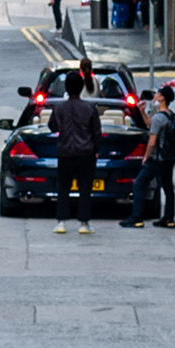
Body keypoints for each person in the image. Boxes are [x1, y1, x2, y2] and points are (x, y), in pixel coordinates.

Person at [44, 63, 108, 232]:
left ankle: (61, 222)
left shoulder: (59, 108)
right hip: (86, 153)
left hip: (65, 152)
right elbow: (96, 132)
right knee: (85, 188)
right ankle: (84, 223)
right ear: (80, 88)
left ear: (66, 87)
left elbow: (52, 127)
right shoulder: (89, 108)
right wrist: (96, 150)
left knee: (63, 187)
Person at [129, 82, 175, 229]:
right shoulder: (170, 116)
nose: (155, 95)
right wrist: (143, 112)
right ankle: (169, 219)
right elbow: (150, 124)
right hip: (169, 158)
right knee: (168, 187)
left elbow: (152, 141)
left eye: (158, 93)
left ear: (162, 98)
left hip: (156, 159)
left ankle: (137, 218)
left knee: (139, 184)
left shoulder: (159, 118)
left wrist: (146, 156)